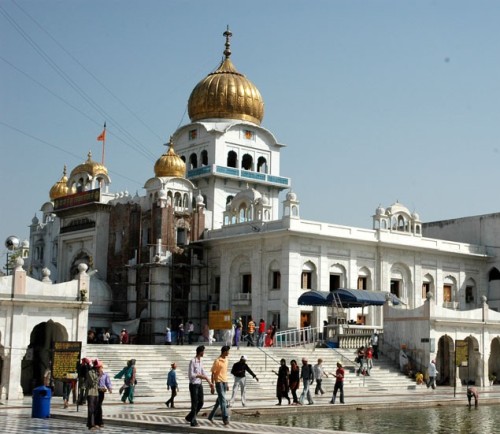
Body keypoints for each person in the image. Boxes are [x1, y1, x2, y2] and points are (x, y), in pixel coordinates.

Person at [185, 345, 214, 428]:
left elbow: (203, 373)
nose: (204, 353)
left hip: (199, 384)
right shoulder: (192, 361)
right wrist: (199, 376)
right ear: (200, 352)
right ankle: (193, 421)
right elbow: (191, 375)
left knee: (201, 402)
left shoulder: (200, 361)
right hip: (193, 385)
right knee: (194, 403)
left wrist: (210, 383)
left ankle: (189, 417)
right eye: (203, 351)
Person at [208, 345, 231, 426]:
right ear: (224, 352)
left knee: (219, 401)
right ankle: (225, 418)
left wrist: (227, 383)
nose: (229, 353)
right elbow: (213, 373)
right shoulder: (217, 361)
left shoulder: (226, 360)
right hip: (218, 382)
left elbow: (225, 372)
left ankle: (210, 416)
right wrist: (212, 385)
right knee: (223, 401)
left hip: (224, 382)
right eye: (228, 351)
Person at [95, 359, 112, 428]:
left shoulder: (105, 375)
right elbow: (93, 383)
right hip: (95, 391)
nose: (99, 368)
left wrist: (109, 389)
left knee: (99, 406)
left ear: (102, 367)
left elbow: (108, 383)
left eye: (100, 367)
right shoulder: (94, 374)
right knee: (96, 406)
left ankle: (100, 422)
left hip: (101, 392)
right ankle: (97, 422)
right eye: (97, 367)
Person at [85, 358, 100, 431]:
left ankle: (94, 423)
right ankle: (90, 425)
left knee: (95, 409)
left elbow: (97, 384)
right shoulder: (90, 372)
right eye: (99, 367)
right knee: (91, 409)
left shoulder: (97, 373)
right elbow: (92, 383)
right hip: (91, 393)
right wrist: (98, 377)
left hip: (96, 393)